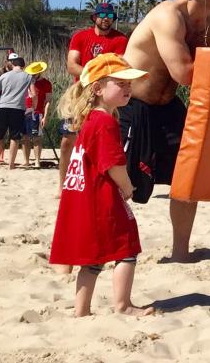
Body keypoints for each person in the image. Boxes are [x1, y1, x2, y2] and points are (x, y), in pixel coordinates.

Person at [120, 0, 210, 262]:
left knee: (189, 177)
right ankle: (98, 250)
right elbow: (184, 73)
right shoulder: (168, 15)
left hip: (169, 105)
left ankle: (180, 253)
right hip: (131, 105)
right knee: (118, 183)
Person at [49, 53, 152, 317]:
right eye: (121, 83)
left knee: (92, 259)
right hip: (102, 197)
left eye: (129, 84)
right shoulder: (105, 121)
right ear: (97, 88)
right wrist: (128, 187)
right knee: (127, 247)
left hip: (82, 196)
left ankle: (81, 310)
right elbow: (113, 164)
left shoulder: (90, 120)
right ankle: (123, 305)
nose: (128, 88)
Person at [62, 3, 129, 183]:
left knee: (105, 136)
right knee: (68, 139)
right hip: (80, 92)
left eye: (109, 15)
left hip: (105, 95)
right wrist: (93, 78)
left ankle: (104, 180)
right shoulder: (80, 36)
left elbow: (118, 66)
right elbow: (71, 65)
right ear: (95, 17)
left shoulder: (120, 39)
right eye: (102, 14)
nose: (105, 18)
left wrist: (99, 82)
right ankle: (63, 184)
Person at [0, 55, 32, 169]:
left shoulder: (4, 76)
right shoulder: (28, 76)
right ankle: (11, 164)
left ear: (13, 65)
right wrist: (33, 106)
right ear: (24, 66)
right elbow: (34, 94)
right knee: (15, 137)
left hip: (3, 107)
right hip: (18, 108)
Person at [23, 62, 53, 169]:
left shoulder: (46, 84)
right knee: (25, 137)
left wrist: (45, 116)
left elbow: (48, 101)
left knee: (37, 138)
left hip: (37, 113)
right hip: (25, 112)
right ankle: (26, 161)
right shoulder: (27, 81)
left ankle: (37, 161)